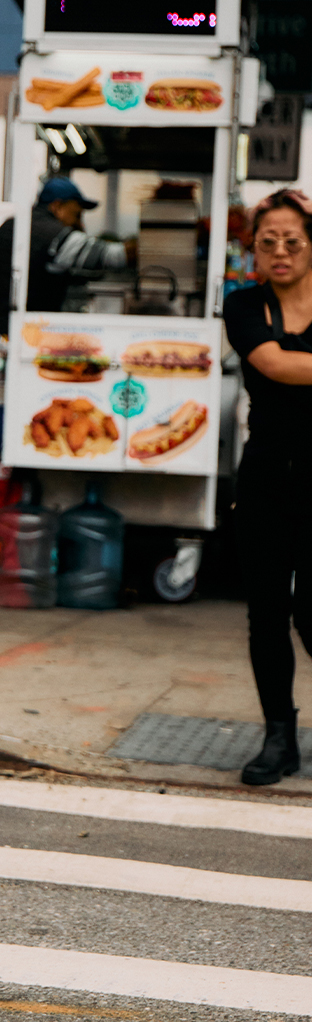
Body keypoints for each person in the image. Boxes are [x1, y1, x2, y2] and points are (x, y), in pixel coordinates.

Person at [222, 187, 312, 787]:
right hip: (267, 477)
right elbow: (275, 365)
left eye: (293, 242)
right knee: (266, 614)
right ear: (253, 249)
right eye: (268, 242)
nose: (280, 252)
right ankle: (278, 736)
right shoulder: (244, 304)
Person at [0, 175, 132, 322]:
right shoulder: (51, 234)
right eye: (77, 215)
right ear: (57, 206)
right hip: (5, 333)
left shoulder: (16, 223)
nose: (80, 224)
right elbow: (115, 256)